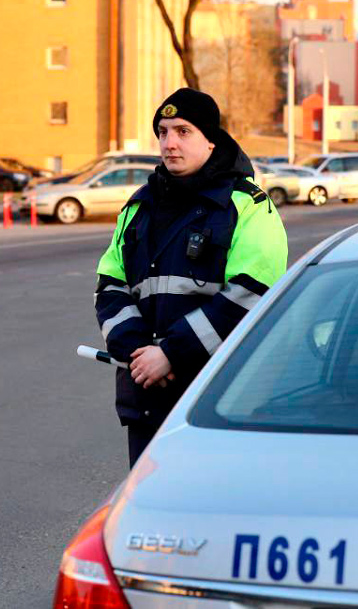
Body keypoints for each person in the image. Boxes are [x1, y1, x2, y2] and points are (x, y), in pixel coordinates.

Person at [94, 88, 288, 467]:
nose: (170, 143)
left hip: (219, 401)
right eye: (163, 132)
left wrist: (171, 354)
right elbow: (109, 286)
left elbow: (253, 293)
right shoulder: (138, 207)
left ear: (211, 141)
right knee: (149, 500)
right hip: (148, 399)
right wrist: (141, 355)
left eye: (183, 132)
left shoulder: (248, 205)